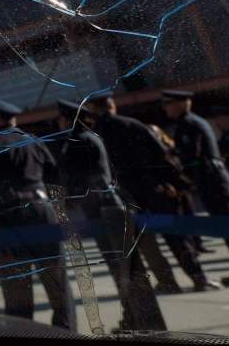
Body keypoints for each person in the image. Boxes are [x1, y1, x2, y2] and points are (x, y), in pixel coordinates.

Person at [84, 91, 216, 293]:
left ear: (94, 109)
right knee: (177, 238)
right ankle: (200, 279)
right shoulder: (131, 124)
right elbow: (161, 154)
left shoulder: (94, 134)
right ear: (111, 105)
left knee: (147, 244)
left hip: (127, 193)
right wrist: (176, 183)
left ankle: (168, 283)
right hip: (154, 188)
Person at [51, 100, 165, 332]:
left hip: (103, 210)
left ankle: (137, 319)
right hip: (106, 207)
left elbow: (78, 178)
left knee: (121, 267)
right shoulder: (89, 138)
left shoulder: (80, 141)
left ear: (69, 119)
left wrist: (68, 199)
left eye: (61, 118)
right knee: (122, 267)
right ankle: (134, 317)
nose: (58, 122)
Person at [0, 98, 75, 331]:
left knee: (17, 286)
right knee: (56, 280)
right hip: (43, 212)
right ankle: (66, 330)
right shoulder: (34, 140)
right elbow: (55, 176)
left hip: (10, 217)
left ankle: (22, 331)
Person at [161, 89, 229, 285]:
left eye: (168, 104)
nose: (165, 108)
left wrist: (180, 184)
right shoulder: (191, 123)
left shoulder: (189, 124)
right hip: (214, 180)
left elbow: (192, 159)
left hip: (214, 181)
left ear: (181, 103)